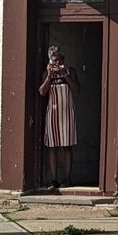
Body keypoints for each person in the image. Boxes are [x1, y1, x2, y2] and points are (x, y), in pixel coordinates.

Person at [39, 45, 79, 190]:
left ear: (63, 61)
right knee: (52, 146)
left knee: (66, 146)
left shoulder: (70, 71)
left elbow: (76, 89)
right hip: (53, 113)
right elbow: (42, 92)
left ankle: (67, 178)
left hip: (67, 113)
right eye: (53, 61)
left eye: (58, 61)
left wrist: (65, 75)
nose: (55, 64)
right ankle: (54, 179)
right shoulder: (47, 73)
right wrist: (49, 76)